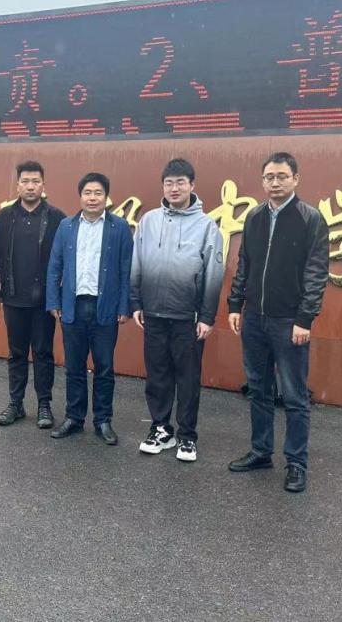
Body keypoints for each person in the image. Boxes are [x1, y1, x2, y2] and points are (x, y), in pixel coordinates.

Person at [226, 152, 329, 493]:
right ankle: (261, 452)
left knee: (295, 395)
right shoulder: (254, 216)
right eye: (269, 177)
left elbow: (316, 273)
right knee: (258, 389)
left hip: (289, 322)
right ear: (263, 181)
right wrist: (235, 304)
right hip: (254, 318)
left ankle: (296, 463)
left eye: (282, 176)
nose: (275, 182)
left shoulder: (310, 218)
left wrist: (305, 318)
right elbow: (245, 264)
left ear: (296, 179)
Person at [130, 158, 224, 462]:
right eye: (169, 183)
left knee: (188, 378)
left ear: (192, 185)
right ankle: (161, 429)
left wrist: (207, 316)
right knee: (157, 375)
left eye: (180, 182)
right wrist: (136, 302)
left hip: (189, 318)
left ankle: (187, 436)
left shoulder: (207, 226)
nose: (174, 188)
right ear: (163, 186)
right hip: (154, 314)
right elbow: (136, 263)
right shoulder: (149, 221)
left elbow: (214, 273)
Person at [46, 173, 133, 445]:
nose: (92, 198)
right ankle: (74, 417)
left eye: (98, 193)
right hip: (73, 306)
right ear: (80, 196)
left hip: (105, 307)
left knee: (104, 368)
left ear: (106, 197)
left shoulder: (119, 228)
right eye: (87, 192)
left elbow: (127, 269)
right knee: (74, 367)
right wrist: (54, 302)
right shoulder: (66, 226)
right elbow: (55, 266)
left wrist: (125, 305)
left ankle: (103, 420)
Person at [0, 161, 67, 429]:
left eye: (35, 181)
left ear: (43, 185)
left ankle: (44, 405)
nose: (31, 186)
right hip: (13, 296)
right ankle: (15, 403)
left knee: (43, 353)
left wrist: (60, 297)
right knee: (16, 353)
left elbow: (66, 259)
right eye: (26, 181)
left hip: (44, 301)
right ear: (17, 185)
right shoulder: (4, 217)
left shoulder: (57, 218)